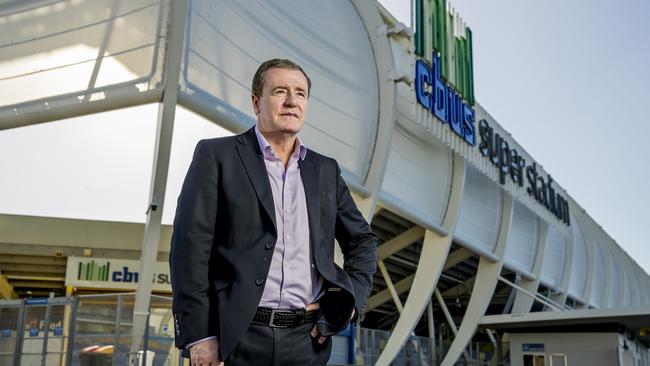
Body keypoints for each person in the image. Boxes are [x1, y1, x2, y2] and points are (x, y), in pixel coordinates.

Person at [170, 58, 377, 366]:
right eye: (280, 91)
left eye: (301, 93)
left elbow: (362, 239)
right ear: (257, 101)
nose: (292, 101)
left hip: (307, 341)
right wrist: (200, 336)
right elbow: (190, 250)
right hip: (236, 338)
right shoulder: (217, 156)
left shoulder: (325, 171)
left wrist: (352, 301)